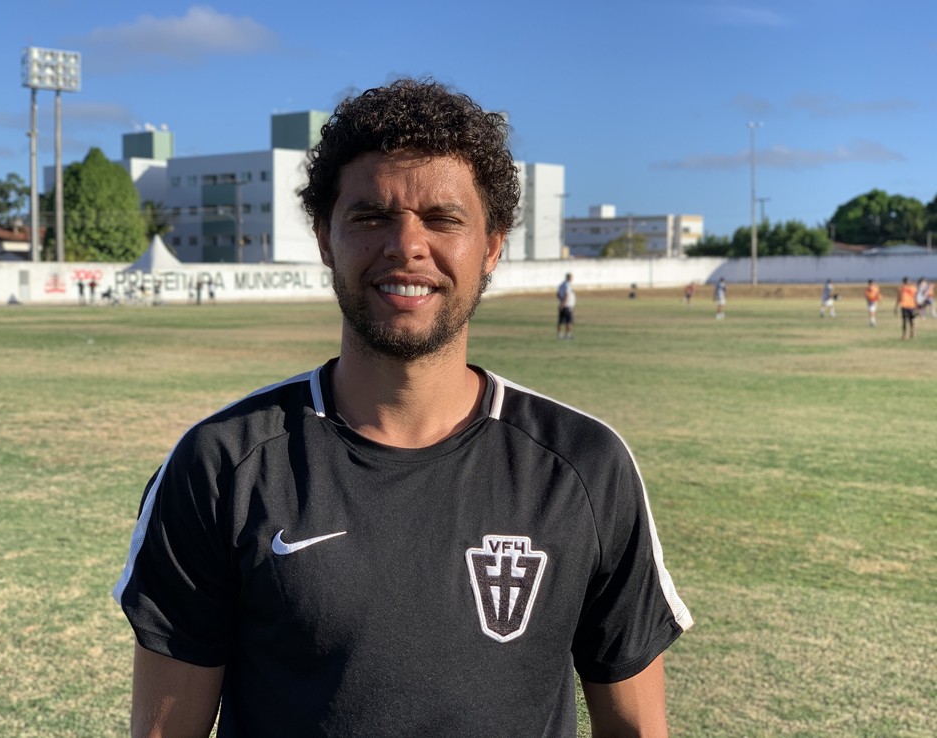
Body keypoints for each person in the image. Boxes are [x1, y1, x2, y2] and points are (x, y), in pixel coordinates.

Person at [113, 79, 692, 738]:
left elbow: (636, 728)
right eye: (370, 217)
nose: (406, 245)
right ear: (325, 239)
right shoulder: (221, 464)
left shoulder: (585, 465)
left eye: (443, 219)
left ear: (492, 246)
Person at [556, 272, 575, 339]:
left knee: (560, 320)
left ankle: (559, 334)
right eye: (571, 277)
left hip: (562, 304)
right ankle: (568, 335)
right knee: (568, 321)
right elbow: (567, 295)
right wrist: (563, 304)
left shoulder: (561, 284)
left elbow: (558, 294)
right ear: (569, 277)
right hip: (567, 305)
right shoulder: (568, 285)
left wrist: (560, 302)